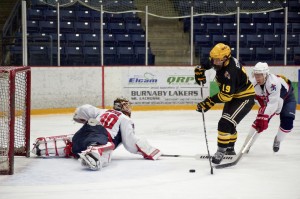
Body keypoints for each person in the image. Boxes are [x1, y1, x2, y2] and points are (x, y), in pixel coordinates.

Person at [32, 97, 162, 171]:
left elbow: (81, 110)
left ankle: (43, 147)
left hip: (86, 128)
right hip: (100, 134)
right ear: (123, 108)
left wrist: (80, 119)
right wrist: (150, 152)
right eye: (127, 106)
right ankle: (94, 152)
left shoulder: (102, 111)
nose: (129, 109)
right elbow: (130, 142)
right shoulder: (125, 119)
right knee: (108, 145)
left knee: (74, 145)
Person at [194, 43, 255, 164]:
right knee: (229, 123)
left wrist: (209, 102)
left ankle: (221, 151)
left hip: (244, 98)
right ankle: (230, 149)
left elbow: (226, 96)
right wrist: (199, 69)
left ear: (226, 58)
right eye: (214, 59)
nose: (214, 62)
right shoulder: (220, 59)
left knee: (225, 123)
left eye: (218, 60)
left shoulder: (230, 72)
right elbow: (209, 62)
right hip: (234, 96)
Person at [246, 62, 296, 152]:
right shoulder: (253, 84)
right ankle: (247, 144)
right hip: (272, 100)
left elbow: (276, 105)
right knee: (259, 122)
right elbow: (260, 101)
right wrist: (263, 117)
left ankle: (278, 140)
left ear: (265, 74)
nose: (257, 78)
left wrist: (265, 116)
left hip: (287, 98)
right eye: (256, 75)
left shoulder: (274, 83)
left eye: (260, 75)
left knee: (288, 122)